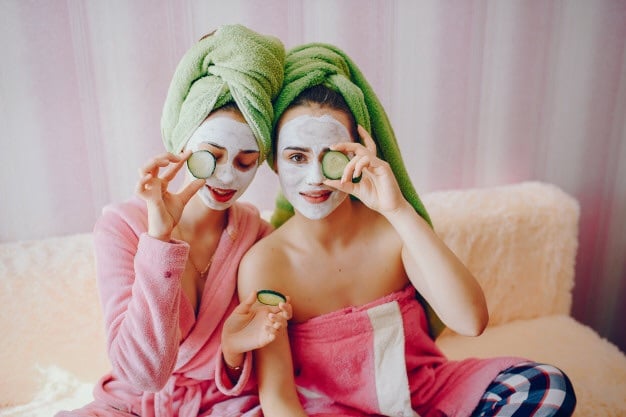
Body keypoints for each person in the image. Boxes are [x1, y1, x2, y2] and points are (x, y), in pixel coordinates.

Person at [238, 43, 577, 417]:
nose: (315, 177)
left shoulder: (393, 232)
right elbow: (279, 398)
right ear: (274, 160)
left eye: (332, 155)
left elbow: (470, 320)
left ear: (360, 152)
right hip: (332, 411)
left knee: (547, 386)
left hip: (427, 393)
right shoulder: (264, 265)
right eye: (297, 157)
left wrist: (397, 210)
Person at [56, 24, 291, 417]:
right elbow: (142, 374)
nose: (227, 177)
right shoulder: (120, 228)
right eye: (210, 156)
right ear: (182, 144)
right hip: (131, 405)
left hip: (225, 407)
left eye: (246, 162)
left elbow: (257, 372)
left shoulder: (258, 237)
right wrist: (158, 240)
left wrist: (233, 352)